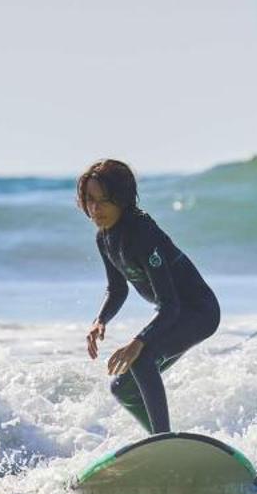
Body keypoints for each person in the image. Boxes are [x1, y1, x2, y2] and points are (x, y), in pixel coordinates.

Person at [79, 158, 221, 435]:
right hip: (176, 313)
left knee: (143, 359)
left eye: (104, 200)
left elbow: (170, 305)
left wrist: (138, 341)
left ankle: (164, 440)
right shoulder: (105, 237)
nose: (96, 209)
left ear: (122, 199)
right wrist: (101, 319)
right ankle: (160, 444)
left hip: (200, 312)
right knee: (122, 389)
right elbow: (117, 288)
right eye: (90, 200)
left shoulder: (142, 233)